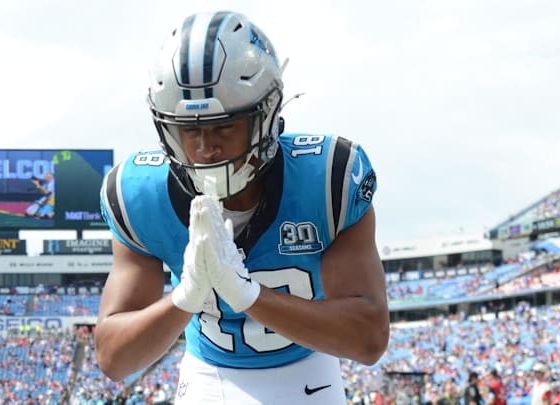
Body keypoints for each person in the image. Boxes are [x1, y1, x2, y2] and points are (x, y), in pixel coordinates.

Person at [96, 10, 389, 405]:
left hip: (305, 369)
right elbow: (113, 358)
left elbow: (368, 339)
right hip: (209, 372)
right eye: (190, 130)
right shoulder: (137, 194)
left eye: (223, 126)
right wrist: (186, 295)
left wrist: (246, 293)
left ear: (266, 116)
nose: (205, 148)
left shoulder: (328, 179)